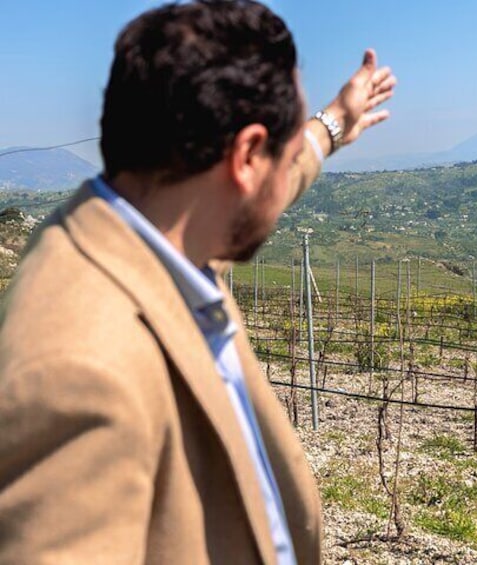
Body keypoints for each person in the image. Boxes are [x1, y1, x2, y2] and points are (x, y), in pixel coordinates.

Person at [0, 1, 396, 564]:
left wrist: (331, 124)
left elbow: (266, 182)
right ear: (247, 157)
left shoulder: (148, 236)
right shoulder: (77, 370)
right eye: (280, 155)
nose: (288, 172)